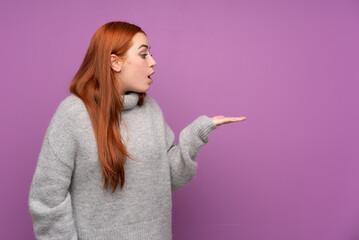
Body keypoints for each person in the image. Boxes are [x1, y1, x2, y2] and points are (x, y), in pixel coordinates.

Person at [28, 21, 246, 240]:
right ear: (115, 62)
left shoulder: (150, 109)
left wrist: (195, 135)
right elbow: (47, 200)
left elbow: (169, 177)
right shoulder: (73, 115)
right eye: (143, 55)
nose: (153, 62)